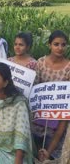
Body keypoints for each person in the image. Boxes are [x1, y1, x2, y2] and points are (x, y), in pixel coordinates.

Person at [33, 30, 69, 162]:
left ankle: (49, 152)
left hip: (59, 115)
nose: (60, 48)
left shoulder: (69, 68)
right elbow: (34, 88)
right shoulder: (40, 63)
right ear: (49, 45)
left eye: (63, 45)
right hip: (39, 112)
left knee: (48, 153)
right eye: (56, 44)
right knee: (34, 150)